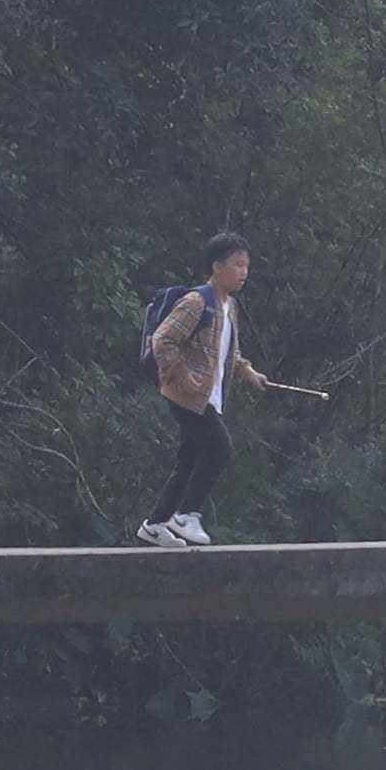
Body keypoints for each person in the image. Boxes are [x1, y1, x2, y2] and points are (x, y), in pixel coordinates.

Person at [133, 231, 258, 544]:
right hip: (186, 395)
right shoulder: (196, 301)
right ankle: (186, 514)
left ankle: (154, 526)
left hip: (208, 397)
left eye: (246, 266)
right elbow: (163, 339)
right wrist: (182, 375)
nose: (244, 272)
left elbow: (230, 353)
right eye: (237, 265)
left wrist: (249, 372)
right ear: (216, 267)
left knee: (190, 457)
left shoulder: (230, 307)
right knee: (219, 447)